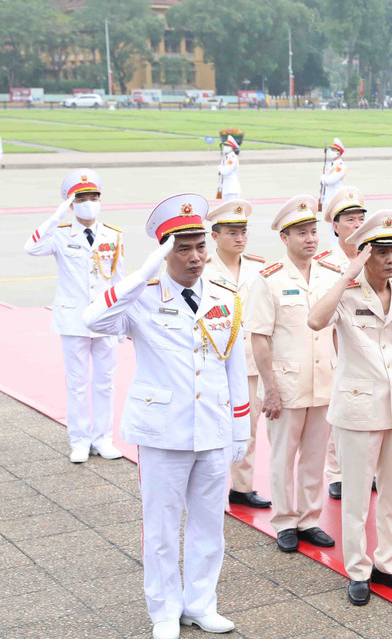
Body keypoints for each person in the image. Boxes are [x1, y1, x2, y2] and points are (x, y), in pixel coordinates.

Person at [83, 193, 249, 639]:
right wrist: (141, 274)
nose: (196, 257)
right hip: (162, 432)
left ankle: (200, 603)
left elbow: (234, 366)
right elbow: (92, 320)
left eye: (201, 246)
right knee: (160, 527)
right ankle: (163, 610)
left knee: (209, 525)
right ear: (163, 250)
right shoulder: (141, 297)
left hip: (212, 428)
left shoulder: (226, 298)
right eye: (183, 247)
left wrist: (240, 428)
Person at [307, 210, 392, 606]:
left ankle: (390, 565)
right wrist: (347, 274)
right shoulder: (345, 291)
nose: (391, 259)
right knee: (356, 496)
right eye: (381, 252)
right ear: (364, 255)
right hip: (358, 409)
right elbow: (315, 320)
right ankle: (357, 569)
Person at [246, 195, 337, 553]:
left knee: (315, 456)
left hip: (324, 381)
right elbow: (259, 337)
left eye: (313, 231)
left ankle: (310, 519)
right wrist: (269, 388)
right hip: (285, 384)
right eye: (302, 233)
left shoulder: (330, 276)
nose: (310, 239)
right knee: (283, 455)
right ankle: (285, 520)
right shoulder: (268, 279)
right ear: (285, 238)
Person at [25, 169, 124, 463]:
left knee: (105, 382)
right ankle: (79, 440)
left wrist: (123, 321)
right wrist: (58, 214)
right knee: (78, 383)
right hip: (74, 320)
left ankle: (103, 438)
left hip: (105, 319)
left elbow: (119, 279)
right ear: (71, 203)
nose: (89, 202)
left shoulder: (113, 235)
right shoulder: (59, 236)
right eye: (81, 198)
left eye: (94, 197)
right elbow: (31, 247)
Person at [204, 200, 271, 509]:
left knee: (249, 426)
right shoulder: (203, 268)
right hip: (215, 359)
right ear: (215, 236)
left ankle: (242, 488)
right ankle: (211, 486)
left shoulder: (259, 267)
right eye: (232, 233)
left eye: (243, 232)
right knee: (213, 425)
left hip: (250, 360)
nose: (240, 238)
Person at [316, 185, 367, 500]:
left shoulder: (374, 255)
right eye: (350, 219)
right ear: (335, 226)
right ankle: (336, 472)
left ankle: (361, 470)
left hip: (365, 342)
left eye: (361, 217)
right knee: (338, 410)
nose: (357, 223)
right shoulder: (325, 262)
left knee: (365, 409)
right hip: (332, 343)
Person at [218, 136, 241, 201]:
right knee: (227, 210)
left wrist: (220, 167)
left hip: (232, 189)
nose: (225, 147)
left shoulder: (233, 158)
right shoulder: (227, 158)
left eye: (228, 146)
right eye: (225, 145)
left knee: (234, 209)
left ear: (232, 148)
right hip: (227, 188)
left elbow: (225, 171)